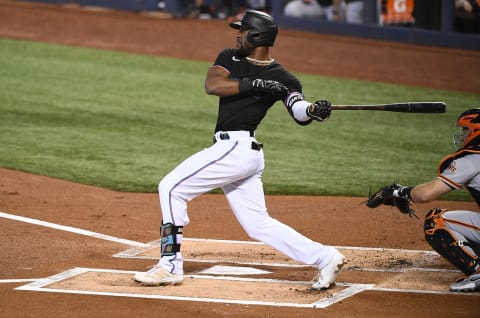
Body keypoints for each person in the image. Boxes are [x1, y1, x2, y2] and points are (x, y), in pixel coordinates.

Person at [133, 9, 346, 290]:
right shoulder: (229, 58)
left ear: (257, 36)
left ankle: (170, 266)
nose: (238, 34)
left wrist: (314, 110)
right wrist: (252, 84)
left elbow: (298, 110)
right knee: (257, 224)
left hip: (238, 148)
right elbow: (213, 85)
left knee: (171, 188)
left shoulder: (284, 78)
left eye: (243, 31)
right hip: (238, 152)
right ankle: (325, 257)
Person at [378, 108, 480, 292]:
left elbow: (425, 194)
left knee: (436, 221)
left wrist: (400, 192)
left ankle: (478, 272)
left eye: (465, 131)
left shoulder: (471, 160)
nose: (463, 136)